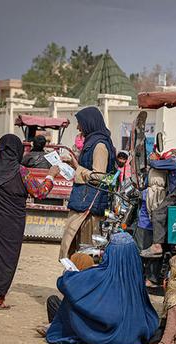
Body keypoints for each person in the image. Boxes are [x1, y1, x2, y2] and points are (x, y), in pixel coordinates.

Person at [0, 134, 59, 309]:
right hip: (9, 227)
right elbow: (40, 192)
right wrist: (51, 175)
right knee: (2, 259)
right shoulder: (21, 172)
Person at [45, 232, 160, 344]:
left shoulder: (99, 275)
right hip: (133, 337)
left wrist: (68, 273)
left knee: (58, 302)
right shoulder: (136, 279)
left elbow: (65, 284)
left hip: (103, 337)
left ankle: (57, 327)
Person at [59, 107, 116, 260]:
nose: (78, 128)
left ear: (89, 123)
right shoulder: (92, 142)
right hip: (84, 202)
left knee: (86, 252)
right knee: (77, 249)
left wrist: (77, 167)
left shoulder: (99, 146)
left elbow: (99, 177)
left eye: (80, 123)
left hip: (90, 207)